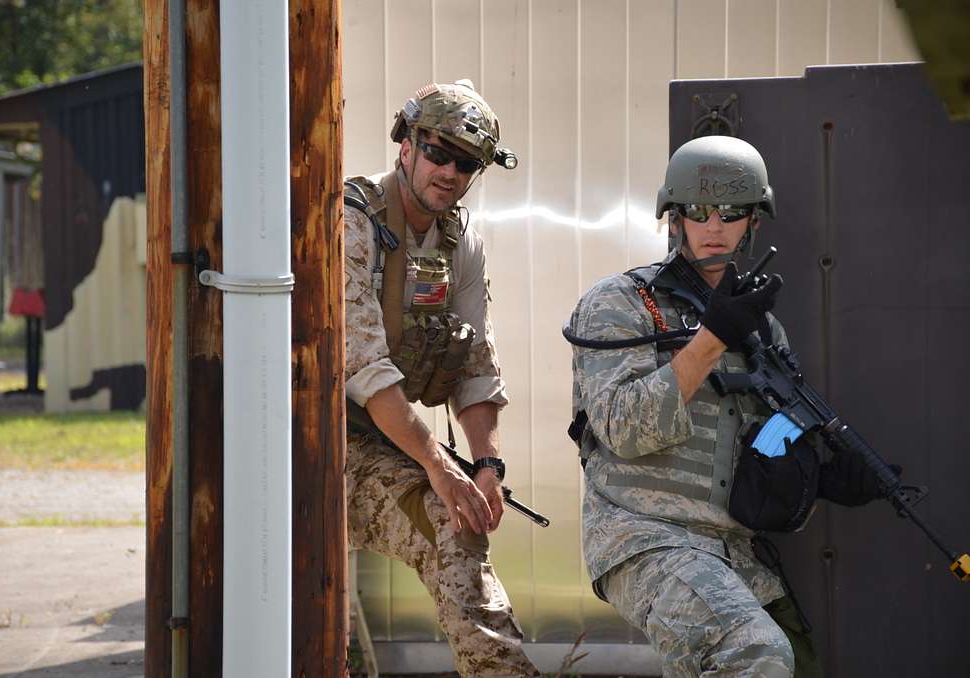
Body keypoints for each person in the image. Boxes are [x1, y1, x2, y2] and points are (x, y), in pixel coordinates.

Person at [566, 135, 888, 677]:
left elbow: (765, 445)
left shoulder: (763, 327)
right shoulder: (620, 303)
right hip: (645, 535)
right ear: (675, 218)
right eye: (698, 211)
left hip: (735, 550)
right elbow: (624, 428)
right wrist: (713, 337)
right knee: (752, 653)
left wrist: (824, 480)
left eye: (732, 211)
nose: (715, 226)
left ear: (752, 222)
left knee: (799, 665)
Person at [342, 79, 539, 677]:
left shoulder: (461, 240)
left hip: (385, 438)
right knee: (443, 533)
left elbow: (476, 364)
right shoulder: (354, 221)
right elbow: (364, 364)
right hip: (309, 444)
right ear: (407, 144)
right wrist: (436, 463)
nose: (450, 172)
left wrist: (487, 467)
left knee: (460, 523)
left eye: (466, 163)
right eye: (438, 152)